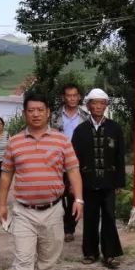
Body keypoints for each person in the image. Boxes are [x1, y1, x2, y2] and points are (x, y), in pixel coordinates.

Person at [0, 92, 83, 270]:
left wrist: (79, 199)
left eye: (40, 110)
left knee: (48, 258)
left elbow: (73, 170)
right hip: (24, 211)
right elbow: (6, 175)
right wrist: (2, 204)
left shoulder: (62, 140)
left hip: (54, 209)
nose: (35, 114)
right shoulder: (14, 142)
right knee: (23, 259)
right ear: (25, 113)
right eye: (31, 110)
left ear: (47, 113)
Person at [70, 88, 125, 269]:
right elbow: (74, 159)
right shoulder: (80, 131)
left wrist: (119, 181)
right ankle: (90, 252)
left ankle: (109, 254)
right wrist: (73, 183)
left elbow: (119, 157)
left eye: (102, 103)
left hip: (109, 182)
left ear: (106, 106)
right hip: (88, 181)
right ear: (88, 106)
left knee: (109, 216)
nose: (98, 107)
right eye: (94, 103)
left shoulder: (115, 128)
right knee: (90, 218)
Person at [50, 83, 88, 242]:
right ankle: (60, 223)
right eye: (68, 96)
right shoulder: (54, 117)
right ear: (63, 97)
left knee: (74, 194)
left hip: (78, 161)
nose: (72, 98)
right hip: (58, 161)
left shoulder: (86, 117)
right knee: (58, 194)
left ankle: (69, 228)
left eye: (75, 95)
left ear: (79, 97)